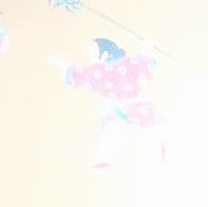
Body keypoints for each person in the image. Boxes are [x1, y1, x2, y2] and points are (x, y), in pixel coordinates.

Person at [50, 38, 166, 168]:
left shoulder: (102, 70)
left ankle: (106, 156)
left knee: (112, 131)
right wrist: (147, 48)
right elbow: (143, 65)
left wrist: (63, 65)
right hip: (133, 111)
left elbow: (82, 76)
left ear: (105, 54)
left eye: (93, 53)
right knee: (144, 132)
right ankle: (152, 152)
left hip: (131, 110)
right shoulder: (112, 68)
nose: (90, 57)